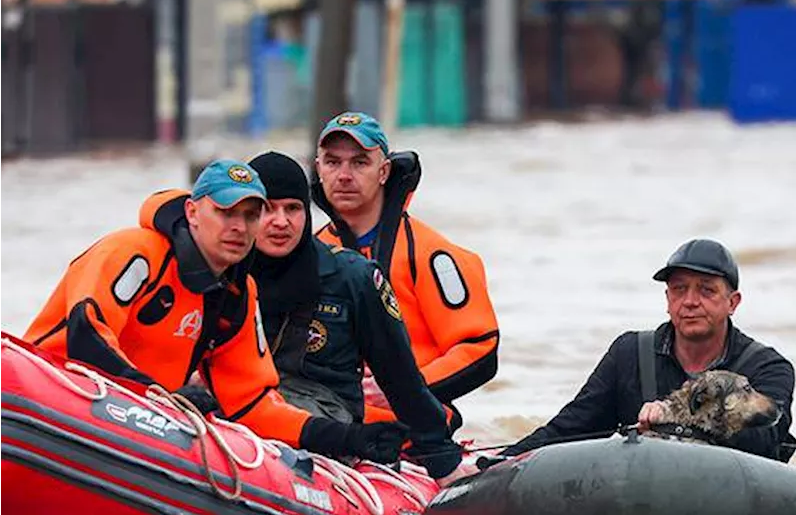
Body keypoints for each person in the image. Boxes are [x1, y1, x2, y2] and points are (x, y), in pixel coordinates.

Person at [24, 159, 408, 462]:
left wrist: (348, 438)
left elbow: (253, 405)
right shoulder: (133, 253)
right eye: (226, 213)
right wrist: (160, 398)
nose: (239, 227)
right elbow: (86, 337)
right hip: (54, 403)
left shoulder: (236, 296)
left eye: (250, 215)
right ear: (192, 212)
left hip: (144, 422)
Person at [246, 150, 463, 479]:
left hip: (324, 410)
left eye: (293, 208)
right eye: (266, 209)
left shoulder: (353, 277)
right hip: (245, 400)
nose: (281, 222)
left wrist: (441, 457)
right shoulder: (227, 269)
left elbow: (400, 377)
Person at [503, 238, 796, 462]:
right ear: (667, 299)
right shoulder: (629, 353)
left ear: (732, 302)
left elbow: (766, 442)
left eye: (706, 290)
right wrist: (498, 463)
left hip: (732, 504)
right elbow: (570, 429)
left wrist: (675, 419)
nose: (691, 301)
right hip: (641, 499)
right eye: (679, 289)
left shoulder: (768, 368)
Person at [310, 112, 499, 428]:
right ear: (318, 169)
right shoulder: (310, 254)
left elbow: (480, 350)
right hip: (329, 420)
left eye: (359, 162)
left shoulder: (432, 254)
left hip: (411, 428)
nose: (344, 175)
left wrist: (403, 386)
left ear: (383, 171)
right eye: (332, 163)